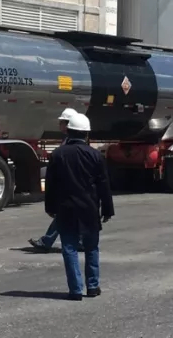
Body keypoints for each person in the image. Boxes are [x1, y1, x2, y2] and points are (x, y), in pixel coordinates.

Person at [44, 112, 115, 300]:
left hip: (65, 208)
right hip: (89, 208)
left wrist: (50, 207)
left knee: (69, 248)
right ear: (86, 134)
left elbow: (51, 184)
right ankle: (92, 286)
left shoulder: (58, 154)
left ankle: (75, 290)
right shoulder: (95, 156)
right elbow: (104, 186)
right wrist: (107, 209)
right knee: (91, 247)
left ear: (69, 131)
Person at [29, 108, 84, 252]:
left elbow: (62, 160)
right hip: (75, 186)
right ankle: (79, 241)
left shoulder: (70, 143)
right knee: (70, 215)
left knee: (63, 215)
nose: (59, 125)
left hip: (70, 185)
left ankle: (47, 242)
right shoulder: (70, 141)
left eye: (61, 123)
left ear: (68, 124)